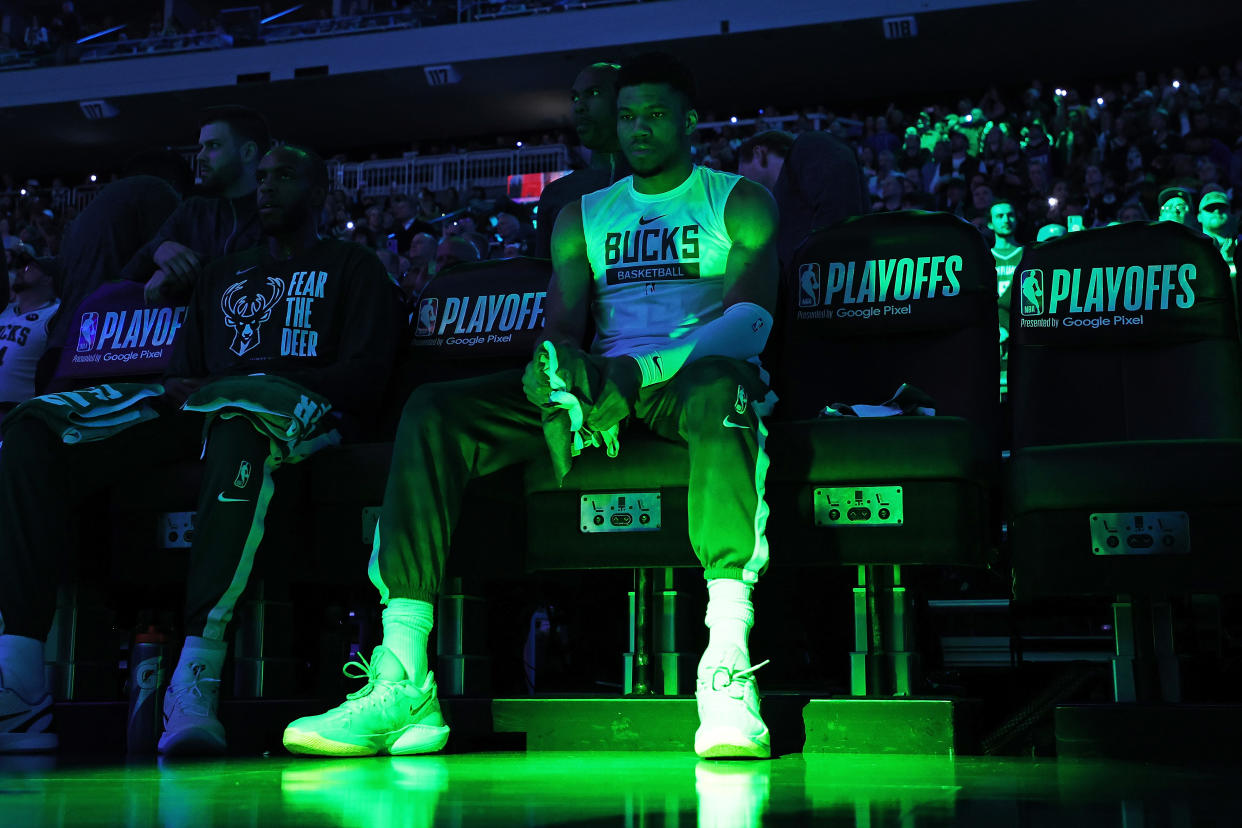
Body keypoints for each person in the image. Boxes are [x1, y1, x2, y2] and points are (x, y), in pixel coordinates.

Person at [285, 52, 781, 761]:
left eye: (656, 115)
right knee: (433, 409)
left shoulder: (735, 199)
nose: (638, 128)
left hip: (688, 378)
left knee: (728, 387)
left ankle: (725, 666)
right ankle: (403, 677)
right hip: (606, 378)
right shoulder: (583, 214)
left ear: (690, 120)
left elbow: (750, 324)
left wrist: (637, 372)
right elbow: (561, 326)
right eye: (628, 115)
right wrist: (559, 381)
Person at [0, 145, 401, 755]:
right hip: (211, 405)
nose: (267, 188)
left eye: (285, 177)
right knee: (33, 425)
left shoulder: (355, 266)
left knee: (240, 416)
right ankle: (18, 676)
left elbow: (367, 378)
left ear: (320, 193)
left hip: (304, 410)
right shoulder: (222, 272)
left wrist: (255, 382)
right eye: (262, 178)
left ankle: (195, 678)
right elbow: (186, 374)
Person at [121, 106, 271, 303]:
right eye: (202, 146)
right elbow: (127, 275)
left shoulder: (276, 212)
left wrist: (178, 275)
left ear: (248, 152)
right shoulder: (193, 210)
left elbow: (258, 281)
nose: (200, 156)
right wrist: (158, 250)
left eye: (213, 145)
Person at [534, 62, 631, 258]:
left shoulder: (668, 184)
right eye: (575, 98)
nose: (579, 106)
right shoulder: (556, 194)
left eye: (594, 93)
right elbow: (542, 278)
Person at [737, 129, 868, 269]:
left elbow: (840, 212)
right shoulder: (779, 202)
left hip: (834, 278)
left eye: (742, 173)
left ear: (758, 153)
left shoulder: (810, 145)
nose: (744, 182)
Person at [0, 256, 61, 413]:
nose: (21, 271)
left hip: (16, 412)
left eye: (29, 268)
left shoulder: (55, 315)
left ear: (48, 279)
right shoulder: (4, 311)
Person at [987, 200, 1023, 297]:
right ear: (990, 224)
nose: (1006, 220)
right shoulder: (984, 256)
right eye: (1000, 216)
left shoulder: (1027, 254)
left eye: (1010, 215)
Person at [1197, 190, 1236, 275]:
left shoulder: (1239, 245)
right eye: (1210, 208)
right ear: (1199, 216)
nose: (1217, 211)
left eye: (1222, 208)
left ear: (1230, 213)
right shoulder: (1192, 247)